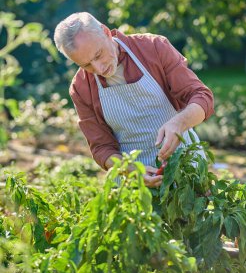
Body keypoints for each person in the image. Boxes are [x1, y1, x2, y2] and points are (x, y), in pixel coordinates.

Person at [54, 12, 214, 188]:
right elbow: (101, 147)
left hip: (183, 164)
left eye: (98, 55)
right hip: (133, 181)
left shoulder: (153, 48)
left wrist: (179, 124)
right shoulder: (81, 87)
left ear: (106, 32)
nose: (98, 68)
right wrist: (129, 169)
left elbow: (201, 96)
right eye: (86, 65)